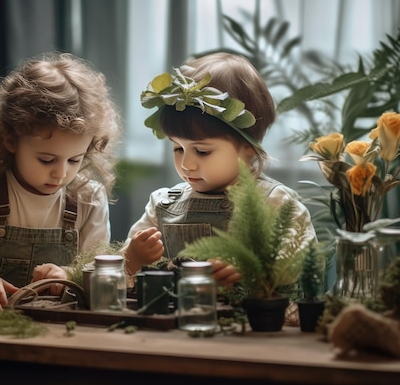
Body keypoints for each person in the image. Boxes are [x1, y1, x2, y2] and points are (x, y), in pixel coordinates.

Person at [0, 52, 121, 310]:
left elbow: (97, 264)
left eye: (74, 160)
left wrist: (68, 275)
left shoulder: (88, 199)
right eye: (47, 160)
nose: (61, 173)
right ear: (10, 141)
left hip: (63, 321)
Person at [124, 52, 316, 287]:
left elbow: (303, 265)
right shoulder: (163, 204)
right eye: (177, 148)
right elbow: (119, 274)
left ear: (247, 147)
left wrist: (249, 270)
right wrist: (132, 259)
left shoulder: (274, 203)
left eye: (203, 151)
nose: (186, 164)